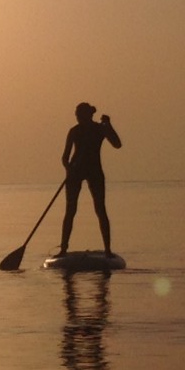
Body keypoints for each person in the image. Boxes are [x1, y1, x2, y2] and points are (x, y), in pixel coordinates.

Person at [57, 102, 122, 257]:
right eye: (76, 115)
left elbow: (117, 144)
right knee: (70, 210)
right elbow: (65, 157)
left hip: (94, 171)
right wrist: (68, 168)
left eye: (79, 115)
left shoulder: (100, 129)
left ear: (88, 115)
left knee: (100, 209)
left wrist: (109, 125)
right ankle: (63, 249)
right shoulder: (74, 131)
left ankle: (108, 250)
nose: (77, 117)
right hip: (75, 172)